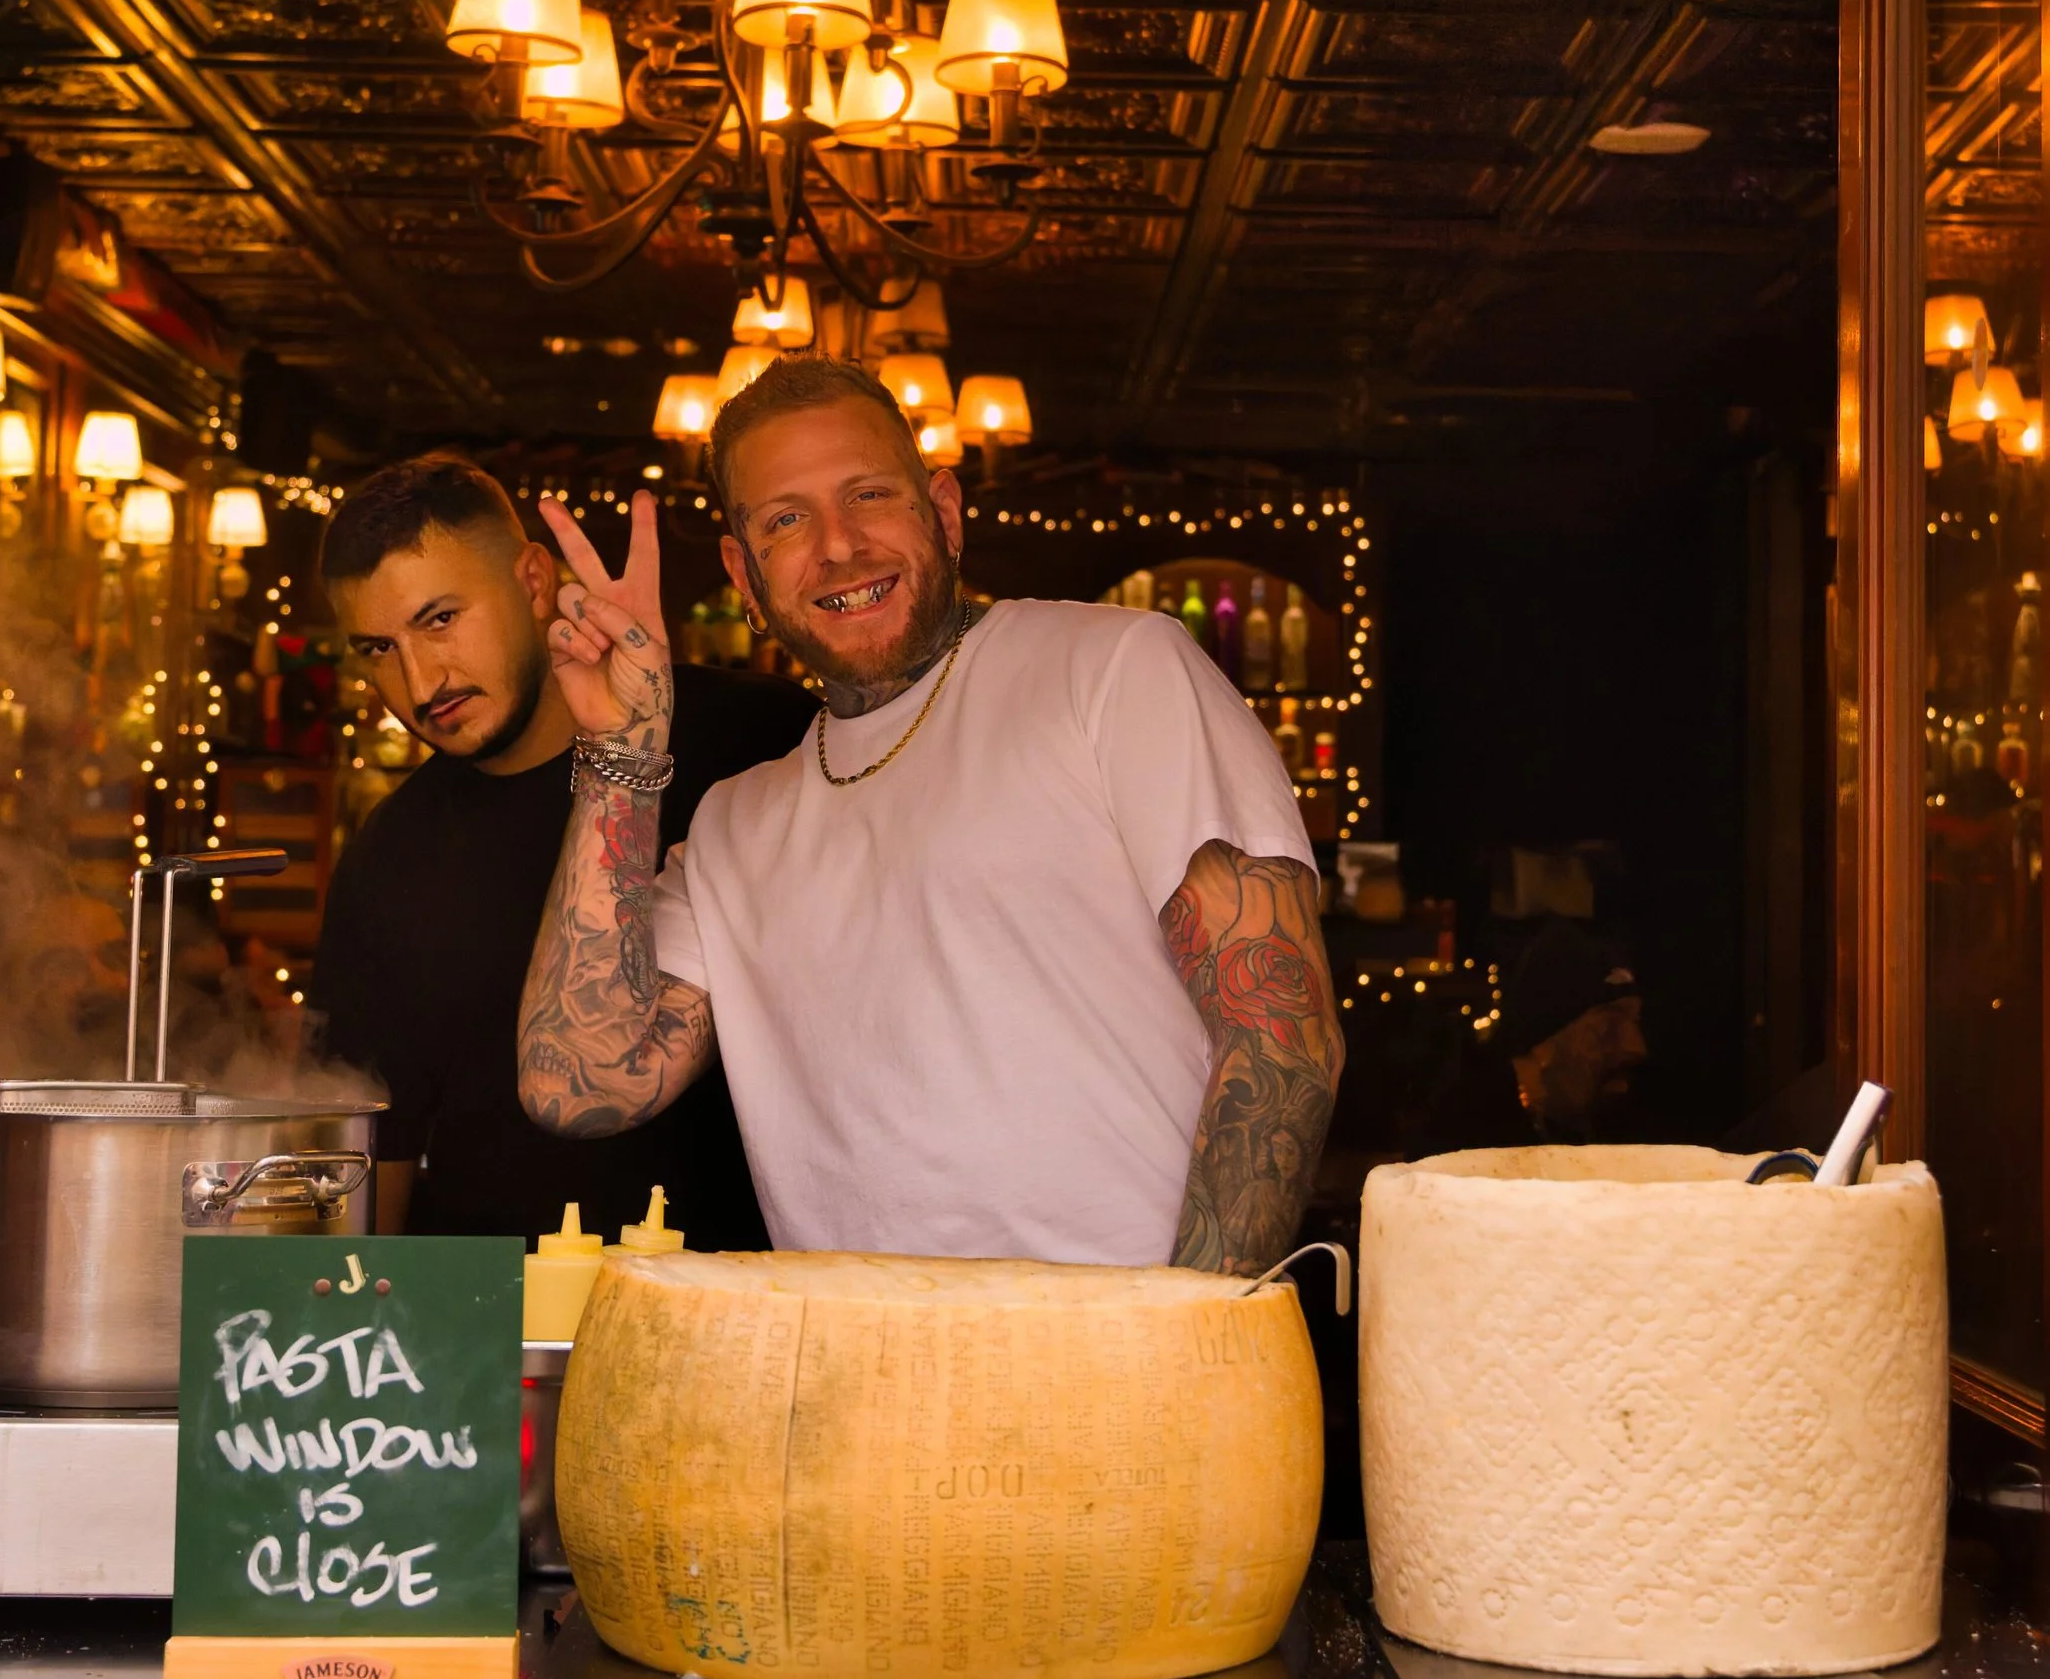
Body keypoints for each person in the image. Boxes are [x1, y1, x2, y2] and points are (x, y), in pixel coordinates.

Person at [515, 356, 1343, 1275]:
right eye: (786, 519)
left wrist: (1182, 1345)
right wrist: (619, 760)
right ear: (744, 576)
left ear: (943, 514)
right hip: (859, 1390)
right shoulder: (730, 831)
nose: (839, 545)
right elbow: (575, 1085)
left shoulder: (1114, 670)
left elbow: (1280, 1040)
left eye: (868, 495)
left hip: (1131, 1368)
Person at [309, 453, 817, 1247]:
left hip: (736, 1300)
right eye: (377, 648)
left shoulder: (761, 739)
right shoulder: (389, 852)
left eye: (440, 618)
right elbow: (377, 1151)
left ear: (534, 580)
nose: (418, 680)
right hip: (484, 1320)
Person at [1413, 925, 1648, 1156]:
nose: (1637, 1048)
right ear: (1542, 1042)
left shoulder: (1617, 1133)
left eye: (1635, 1023)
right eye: (1609, 1028)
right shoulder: (1465, 1142)